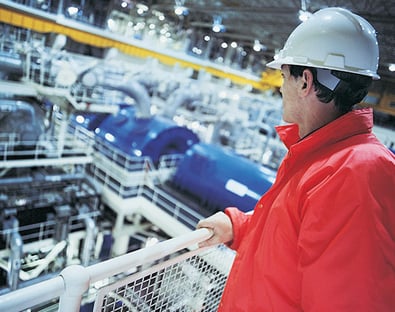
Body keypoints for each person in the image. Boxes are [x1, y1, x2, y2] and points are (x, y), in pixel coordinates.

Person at [197, 7, 395, 311]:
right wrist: (239, 226)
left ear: (305, 81)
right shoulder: (324, 159)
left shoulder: (353, 173)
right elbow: (295, 235)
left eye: (282, 75)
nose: (280, 87)